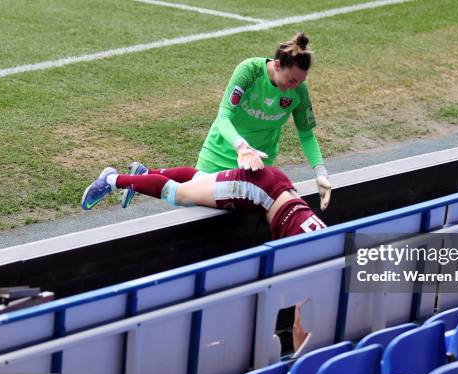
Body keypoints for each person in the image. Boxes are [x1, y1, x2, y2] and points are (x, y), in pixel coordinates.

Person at [120, 32, 332, 212]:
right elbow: (223, 116)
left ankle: (142, 175)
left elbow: (306, 134)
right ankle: (137, 178)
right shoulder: (249, 71)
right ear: (277, 65)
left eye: (300, 82)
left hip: (255, 164)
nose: (295, 86)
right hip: (220, 152)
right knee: (192, 200)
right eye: (292, 80)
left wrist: (320, 172)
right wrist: (240, 146)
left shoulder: (298, 92)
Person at [82, 163, 326, 240]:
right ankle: (112, 180)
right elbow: (300, 322)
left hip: (275, 184)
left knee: (202, 182)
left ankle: (144, 175)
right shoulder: (330, 268)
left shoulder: (338, 247)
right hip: (259, 190)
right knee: (181, 195)